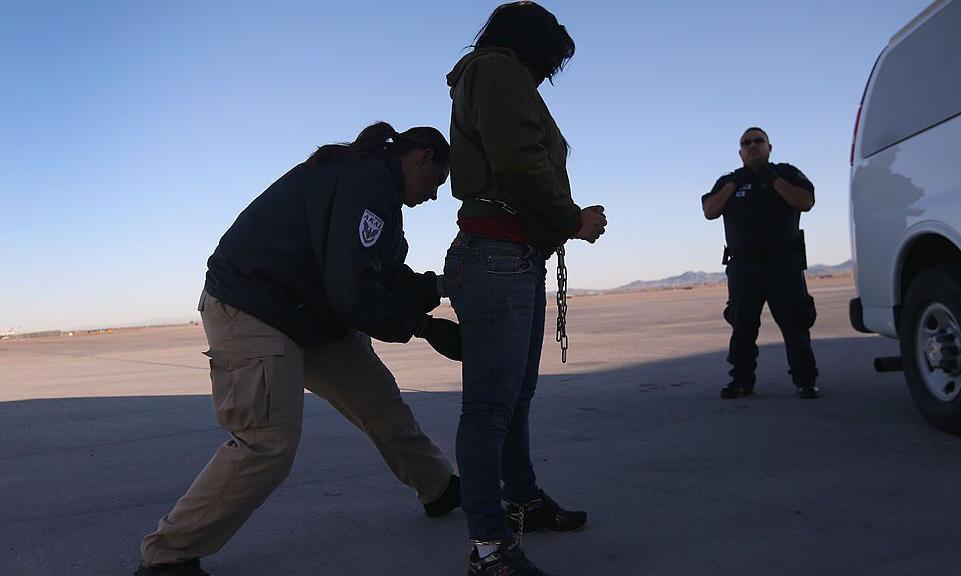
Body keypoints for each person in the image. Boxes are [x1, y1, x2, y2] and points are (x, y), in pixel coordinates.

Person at [135, 122, 464, 576]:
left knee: (379, 402)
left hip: (311, 316)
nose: (433, 197)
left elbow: (378, 273)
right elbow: (352, 287)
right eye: (436, 184)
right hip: (255, 308)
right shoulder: (365, 179)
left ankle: (439, 488)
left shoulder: (379, 195)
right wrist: (425, 328)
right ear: (422, 157)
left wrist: (440, 287)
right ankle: (167, 555)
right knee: (267, 442)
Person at [444, 3, 608, 574]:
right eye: (546, 64)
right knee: (490, 406)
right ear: (530, 46)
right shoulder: (496, 70)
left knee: (513, 399)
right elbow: (519, 161)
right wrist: (570, 220)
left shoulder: (495, 75)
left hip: (512, 255)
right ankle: (489, 546)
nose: (544, 78)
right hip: (496, 256)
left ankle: (522, 501)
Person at [702, 127, 820, 399]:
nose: (753, 146)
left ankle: (806, 380)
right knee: (742, 326)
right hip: (744, 267)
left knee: (795, 324)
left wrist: (774, 181)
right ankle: (742, 381)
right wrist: (734, 184)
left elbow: (805, 202)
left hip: (784, 264)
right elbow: (710, 210)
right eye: (747, 143)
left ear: (769, 147)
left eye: (759, 141)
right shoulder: (730, 181)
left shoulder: (787, 174)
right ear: (740, 152)